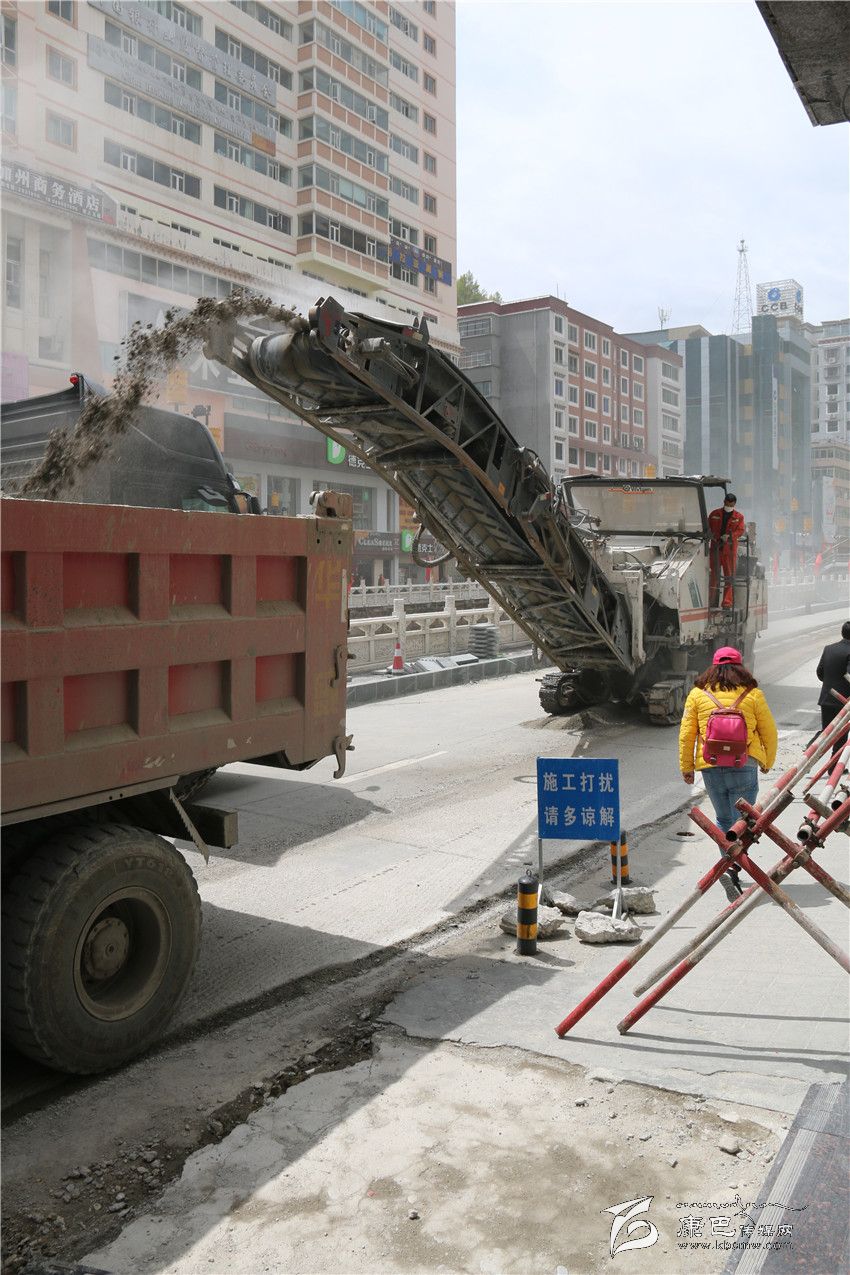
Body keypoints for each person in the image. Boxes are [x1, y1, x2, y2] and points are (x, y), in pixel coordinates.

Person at [679, 646, 778, 901]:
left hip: (710, 764)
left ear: (713, 667)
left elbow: (687, 735)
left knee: (723, 819)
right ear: (740, 667)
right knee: (743, 822)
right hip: (744, 763)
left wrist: (687, 767)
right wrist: (767, 761)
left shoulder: (698, 694)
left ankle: (729, 866)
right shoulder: (752, 694)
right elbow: (769, 732)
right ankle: (733, 867)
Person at [816, 620, 850, 757]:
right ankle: (834, 766)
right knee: (840, 737)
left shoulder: (829, 648)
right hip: (843, 701)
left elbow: (820, 672)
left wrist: (831, 684)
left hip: (826, 698)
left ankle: (811, 749)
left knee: (826, 733)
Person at [708, 492, 745, 609]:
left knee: (729, 577)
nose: (729, 506)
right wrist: (712, 536)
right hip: (716, 549)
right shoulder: (714, 514)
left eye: (731, 505)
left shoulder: (739, 517)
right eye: (727, 504)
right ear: (724, 502)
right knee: (714, 576)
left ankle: (727, 603)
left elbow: (740, 531)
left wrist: (730, 536)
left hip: (729, 551)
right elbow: (708, 528)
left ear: (734, 504)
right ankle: (711, 601)